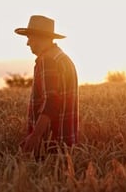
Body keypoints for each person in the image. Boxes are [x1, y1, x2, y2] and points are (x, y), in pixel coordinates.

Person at [15, 15, 79, 156]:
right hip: (67, 143)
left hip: (50, 146)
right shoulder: (62, 58)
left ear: (39, 37)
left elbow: (51, 102)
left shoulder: (47, 60)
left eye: (30, 38)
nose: (28, 43)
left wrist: (35, 136)